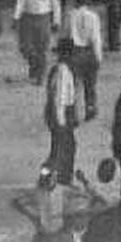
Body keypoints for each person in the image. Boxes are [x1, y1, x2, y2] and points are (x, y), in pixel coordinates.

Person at [46, 40, 81, 184]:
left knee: (63, 147)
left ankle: (56, 178)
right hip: (61, 114)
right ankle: (61, 180)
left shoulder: (64, 70)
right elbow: (59, 98)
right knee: (64, 148)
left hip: (63, 114)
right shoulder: (63, 71)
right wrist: (61, 122)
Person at [66, 0, 106, 122]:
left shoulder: (70, 15)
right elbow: (96, 38)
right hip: (90, 52)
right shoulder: (93, 16)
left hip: (75, 51)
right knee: (90, 84)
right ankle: (90, 108)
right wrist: (98, 56)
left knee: (75, 85)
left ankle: (74, 114)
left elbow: (66, 36)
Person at [15, 0, 61, 84]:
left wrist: (56, 21)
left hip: (44, 16)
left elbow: (55, 3)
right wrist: (16, 17)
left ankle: (41, 76)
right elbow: (20, 0)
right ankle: (34, 66)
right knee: (25, 47)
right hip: (27, 16)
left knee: (42, 48)